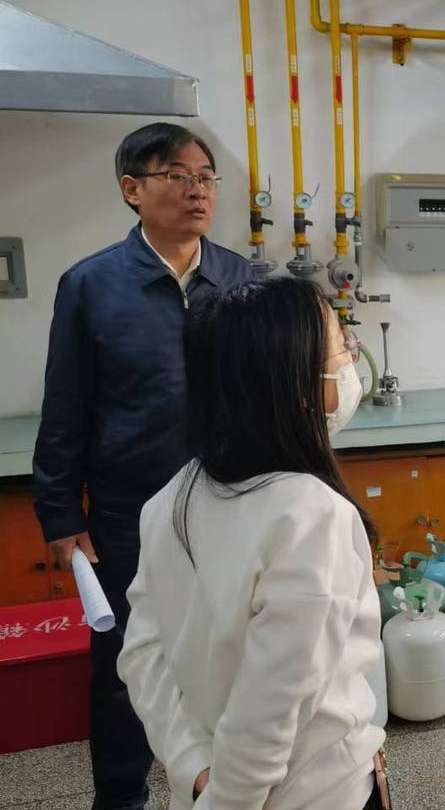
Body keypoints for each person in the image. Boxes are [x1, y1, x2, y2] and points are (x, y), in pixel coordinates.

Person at [32, 122, 252, 810]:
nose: (198, 191)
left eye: (206, 178)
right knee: (128, 663)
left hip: (230, 505)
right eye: (177, 177)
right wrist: (60, 513)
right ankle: (122, 797)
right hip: (129, 513)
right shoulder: (91, 284)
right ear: (132, 189)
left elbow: (270, 393)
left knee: (233, 651)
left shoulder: (242, 280)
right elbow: (65, 403)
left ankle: (232, 786)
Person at [117, 277, 386, 809]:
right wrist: (227, 799)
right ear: (297, 382)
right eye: (343, 347)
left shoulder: (172, 498)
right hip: (310, 794)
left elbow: (143, 654)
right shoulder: (312, 517)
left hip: (207, 784)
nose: (351, 363)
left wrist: (195, 766)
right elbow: (273, 704)